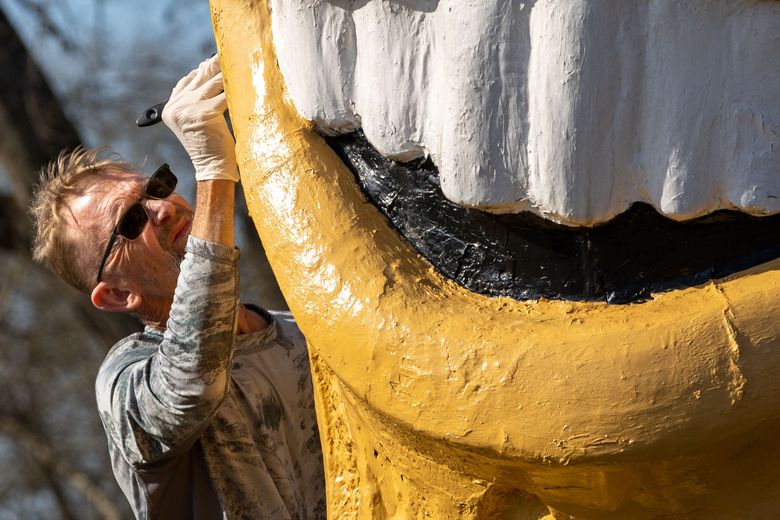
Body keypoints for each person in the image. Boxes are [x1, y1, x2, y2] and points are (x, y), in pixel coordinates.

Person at [29, 56, 326, 519]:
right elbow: (193, 381)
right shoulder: (124, 380)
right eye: (131, 221)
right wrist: (212, 170)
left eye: (156, 186)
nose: (163, 208)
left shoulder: (307, 333)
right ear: (116, 295)